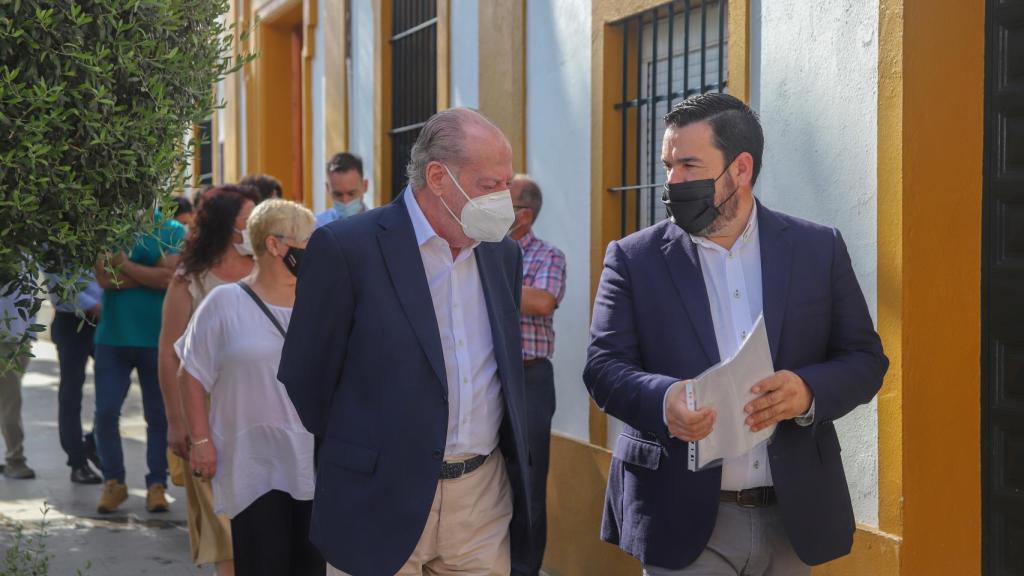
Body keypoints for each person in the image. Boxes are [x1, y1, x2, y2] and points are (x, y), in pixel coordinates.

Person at [583, 92, 889, 575]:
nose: (672, 181)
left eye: (688, 165)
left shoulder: (817, 248)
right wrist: (666, 401)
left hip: (792, 517)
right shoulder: (633, 258)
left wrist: (808, 391)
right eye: (668, 165)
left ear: (741, 170)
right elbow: (603, 368)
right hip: (680, 516)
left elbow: (865, 359)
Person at [279, 108, 533, 576]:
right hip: (377, 498)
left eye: (506, 183)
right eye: (488, 185)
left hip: (481, 498)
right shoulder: (346, 248)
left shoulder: (503, 254)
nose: (503, 199)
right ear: (438, 177)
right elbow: (306, 376)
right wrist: (366, 451)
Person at [178, 199, 322, 576]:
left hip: (315, 460)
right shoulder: (225, 303)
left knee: (313, 566)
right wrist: (200, 442)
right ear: (275, 245)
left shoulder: (323, 301)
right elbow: (190, 374)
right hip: (251, 463)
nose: (316, 249)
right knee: (261, 563)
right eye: (308, 240)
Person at [159, 185, 260, 575]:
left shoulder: (267, 268)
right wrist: (176, 420)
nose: (252, 228)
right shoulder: (191, 279)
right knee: (224, 530)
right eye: (246, 221)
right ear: (224, 226)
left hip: (260, 412)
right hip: (208, 417)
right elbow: (170, 353)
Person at [93, 210, 187, 514]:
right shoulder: (108, 226)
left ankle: (156, 484)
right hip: (112, 337)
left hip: (156, 339)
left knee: (158, 416)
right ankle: (113, 482)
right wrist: (149, 271)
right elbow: (105, 279)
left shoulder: (172, 229)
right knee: (105, 413)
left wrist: (126, 264)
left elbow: (169, 278)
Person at [507, 175, 566, 576]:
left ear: (523, 216)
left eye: (500, 201)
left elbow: (544, 301)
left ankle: (523, 569)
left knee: (527, 483)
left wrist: (491, 274)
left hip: (529, 381)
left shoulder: (548, 255)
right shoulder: (476, 252)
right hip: (487, 379)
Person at [46, 272, 104, 484]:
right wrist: (94, 307)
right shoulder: (54, 242)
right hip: (73, 319)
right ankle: (77, 461)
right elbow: (57, 280)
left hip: (103, 317)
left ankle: (94, 441)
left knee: (115, 385)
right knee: (71, 392)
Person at [0, 287, 36, 480]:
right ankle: (16, 460)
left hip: (20, 335)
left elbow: (28, 291)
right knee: (10, 402)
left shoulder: (23, 256)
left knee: (7, 402)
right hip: (5, 336)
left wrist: (30, 329)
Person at [314, 152, 368, 227]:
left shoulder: (379, 225)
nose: (345, 201)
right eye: (338, 194)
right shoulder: (316, 226)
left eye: (351, 193)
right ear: (328, 188)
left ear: (365, 186)